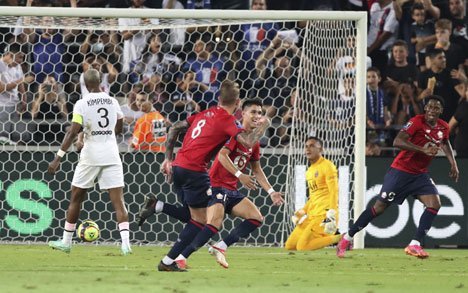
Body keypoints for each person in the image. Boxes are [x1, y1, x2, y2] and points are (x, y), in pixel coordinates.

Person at [140, 80, 270, 272]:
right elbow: (248, 142)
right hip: (195, 171)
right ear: (237, 104)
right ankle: (169, 261)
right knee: (201, 221)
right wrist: (263, 127)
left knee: (195, 216)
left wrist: (168, 159)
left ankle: (159, 206)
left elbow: (175, 127)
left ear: (219, 98)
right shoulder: (227, 121)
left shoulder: (204, 113)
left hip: (178, 167)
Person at [336, 95, 459, 259]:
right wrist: (422, 149)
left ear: (440, 111)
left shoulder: (443, 127)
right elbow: (397, 141)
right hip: (401, 171)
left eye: (436, 107)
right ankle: (347, 238)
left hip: (420, 174)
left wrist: (453, 163)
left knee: (434, 204)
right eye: (429, 107)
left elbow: (445, 142)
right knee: (379, 208)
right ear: (425, 108)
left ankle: (415, 244)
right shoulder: (416, 121)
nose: (432, 110)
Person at [171, 99, 283, 269]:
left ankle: (220, 246)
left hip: (231, 189)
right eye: (253, 112)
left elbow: (257, 170)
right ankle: (180, 257)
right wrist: (240, 175)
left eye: (260, 113)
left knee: (256, 218)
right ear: (242, 113)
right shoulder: (235, 133)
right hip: (216, 185)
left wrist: (271, 192)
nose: (257, 116)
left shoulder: (254, 143)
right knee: (213, 223)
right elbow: (222, 156)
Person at [47, 69, 132, 255]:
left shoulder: (82, 104)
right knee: (119, 201)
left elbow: (72, 131)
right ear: (101, 81)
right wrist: (108, 133)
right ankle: (126, 244)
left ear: (84, 84)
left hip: (91, 155)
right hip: (111, 154)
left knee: (76, 197)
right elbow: (120, 124)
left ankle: (66, 242)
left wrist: (58, 157)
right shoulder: (112, 101)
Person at [285, 137, 341, 251]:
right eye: (306, 146)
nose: (307, 149)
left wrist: (331, 213)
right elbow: (313, 196)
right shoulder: (310, 170)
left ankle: (341, 238)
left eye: (312, 146)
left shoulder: (328, 166)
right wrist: (303, 211)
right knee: (290, 246)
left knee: (302, 246)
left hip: (323, 215)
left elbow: (334, 191)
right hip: (311, 215)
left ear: (320, 149)